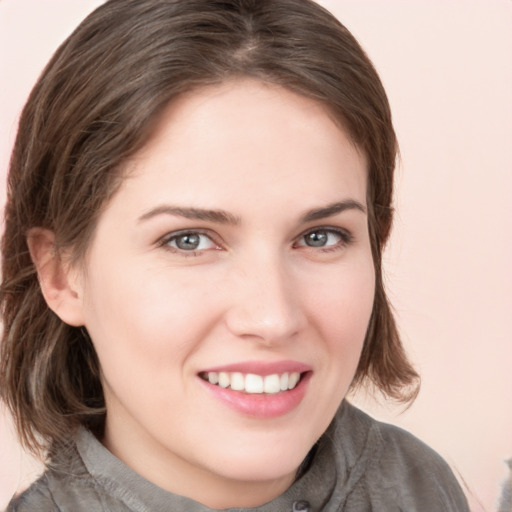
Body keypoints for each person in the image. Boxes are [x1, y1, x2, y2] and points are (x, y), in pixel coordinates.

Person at [0, 0, 470, 510]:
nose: (273, 317)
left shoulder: (422, 486)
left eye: (320, 237)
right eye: (189, 240)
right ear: (61, 274)